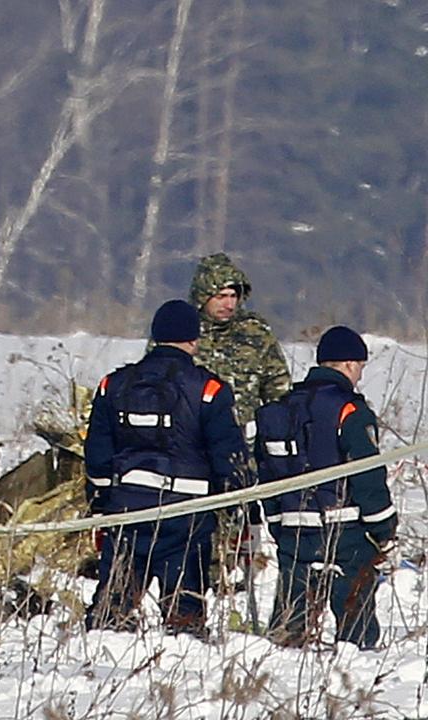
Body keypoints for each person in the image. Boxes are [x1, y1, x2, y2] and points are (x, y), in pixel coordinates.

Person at [84, 300, 250, 637]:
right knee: (184, 612)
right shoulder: (209, 389)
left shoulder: (112, 385)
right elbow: (228, 457)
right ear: (194, 339)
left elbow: (98, 453)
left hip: (127, 511)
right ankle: (180, 660)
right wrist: (237, 503)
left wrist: (102, 499)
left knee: (111, 610)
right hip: (187, 515)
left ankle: (101, 662)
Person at [255, 326, 396, 650]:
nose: (359, 375)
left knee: (286, 638)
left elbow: (267, 474)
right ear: (348, 364)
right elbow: (367, 474)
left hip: (293, 534)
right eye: (360, 367)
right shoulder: (350, 411)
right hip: (345, 535)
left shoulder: (278, 410)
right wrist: (383, 527)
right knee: (356, 637)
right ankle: (355, 675)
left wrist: (277, 523)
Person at [187, 252, 292, 430]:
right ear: (203, 297)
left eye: (233, 296)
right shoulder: (182, 330)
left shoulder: (254, 332)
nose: (229, 305)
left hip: (244, 441)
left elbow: (278, 388)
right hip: (191, 441)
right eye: (220, 297)